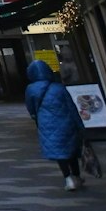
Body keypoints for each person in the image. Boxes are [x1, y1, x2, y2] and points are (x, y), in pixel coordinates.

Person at [24, 59, 86, 191]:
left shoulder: (30, 89)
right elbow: (71, 107)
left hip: (46, 123)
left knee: (59, 152)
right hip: (66, 121)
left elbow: (31, 109)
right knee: (71, 150)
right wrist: (80, 125)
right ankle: (77, 176)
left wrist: (37, 119)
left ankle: (68, 178)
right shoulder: (58, 87)